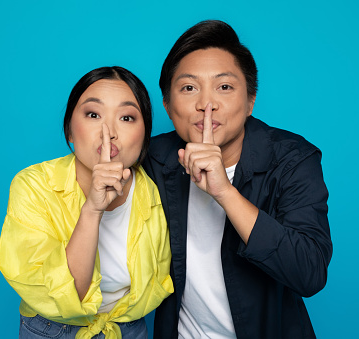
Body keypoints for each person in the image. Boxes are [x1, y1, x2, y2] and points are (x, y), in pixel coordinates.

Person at [143, 20, 333, 339]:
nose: (207, 104)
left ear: (250, 102)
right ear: (167, 105)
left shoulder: (292, 159)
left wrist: (225, 193)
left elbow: (309, 273)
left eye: (224, 87)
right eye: (189, 88)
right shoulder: (154, 158)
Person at [0, 66, 173, 339]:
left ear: (144, 137)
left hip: (128, 329)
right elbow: (67, 297)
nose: (109, 131)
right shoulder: (33, 184)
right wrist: (92, 209)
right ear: (69, 130)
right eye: (93, 114)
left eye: (127, 117)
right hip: (52, 329)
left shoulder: (156, 189)